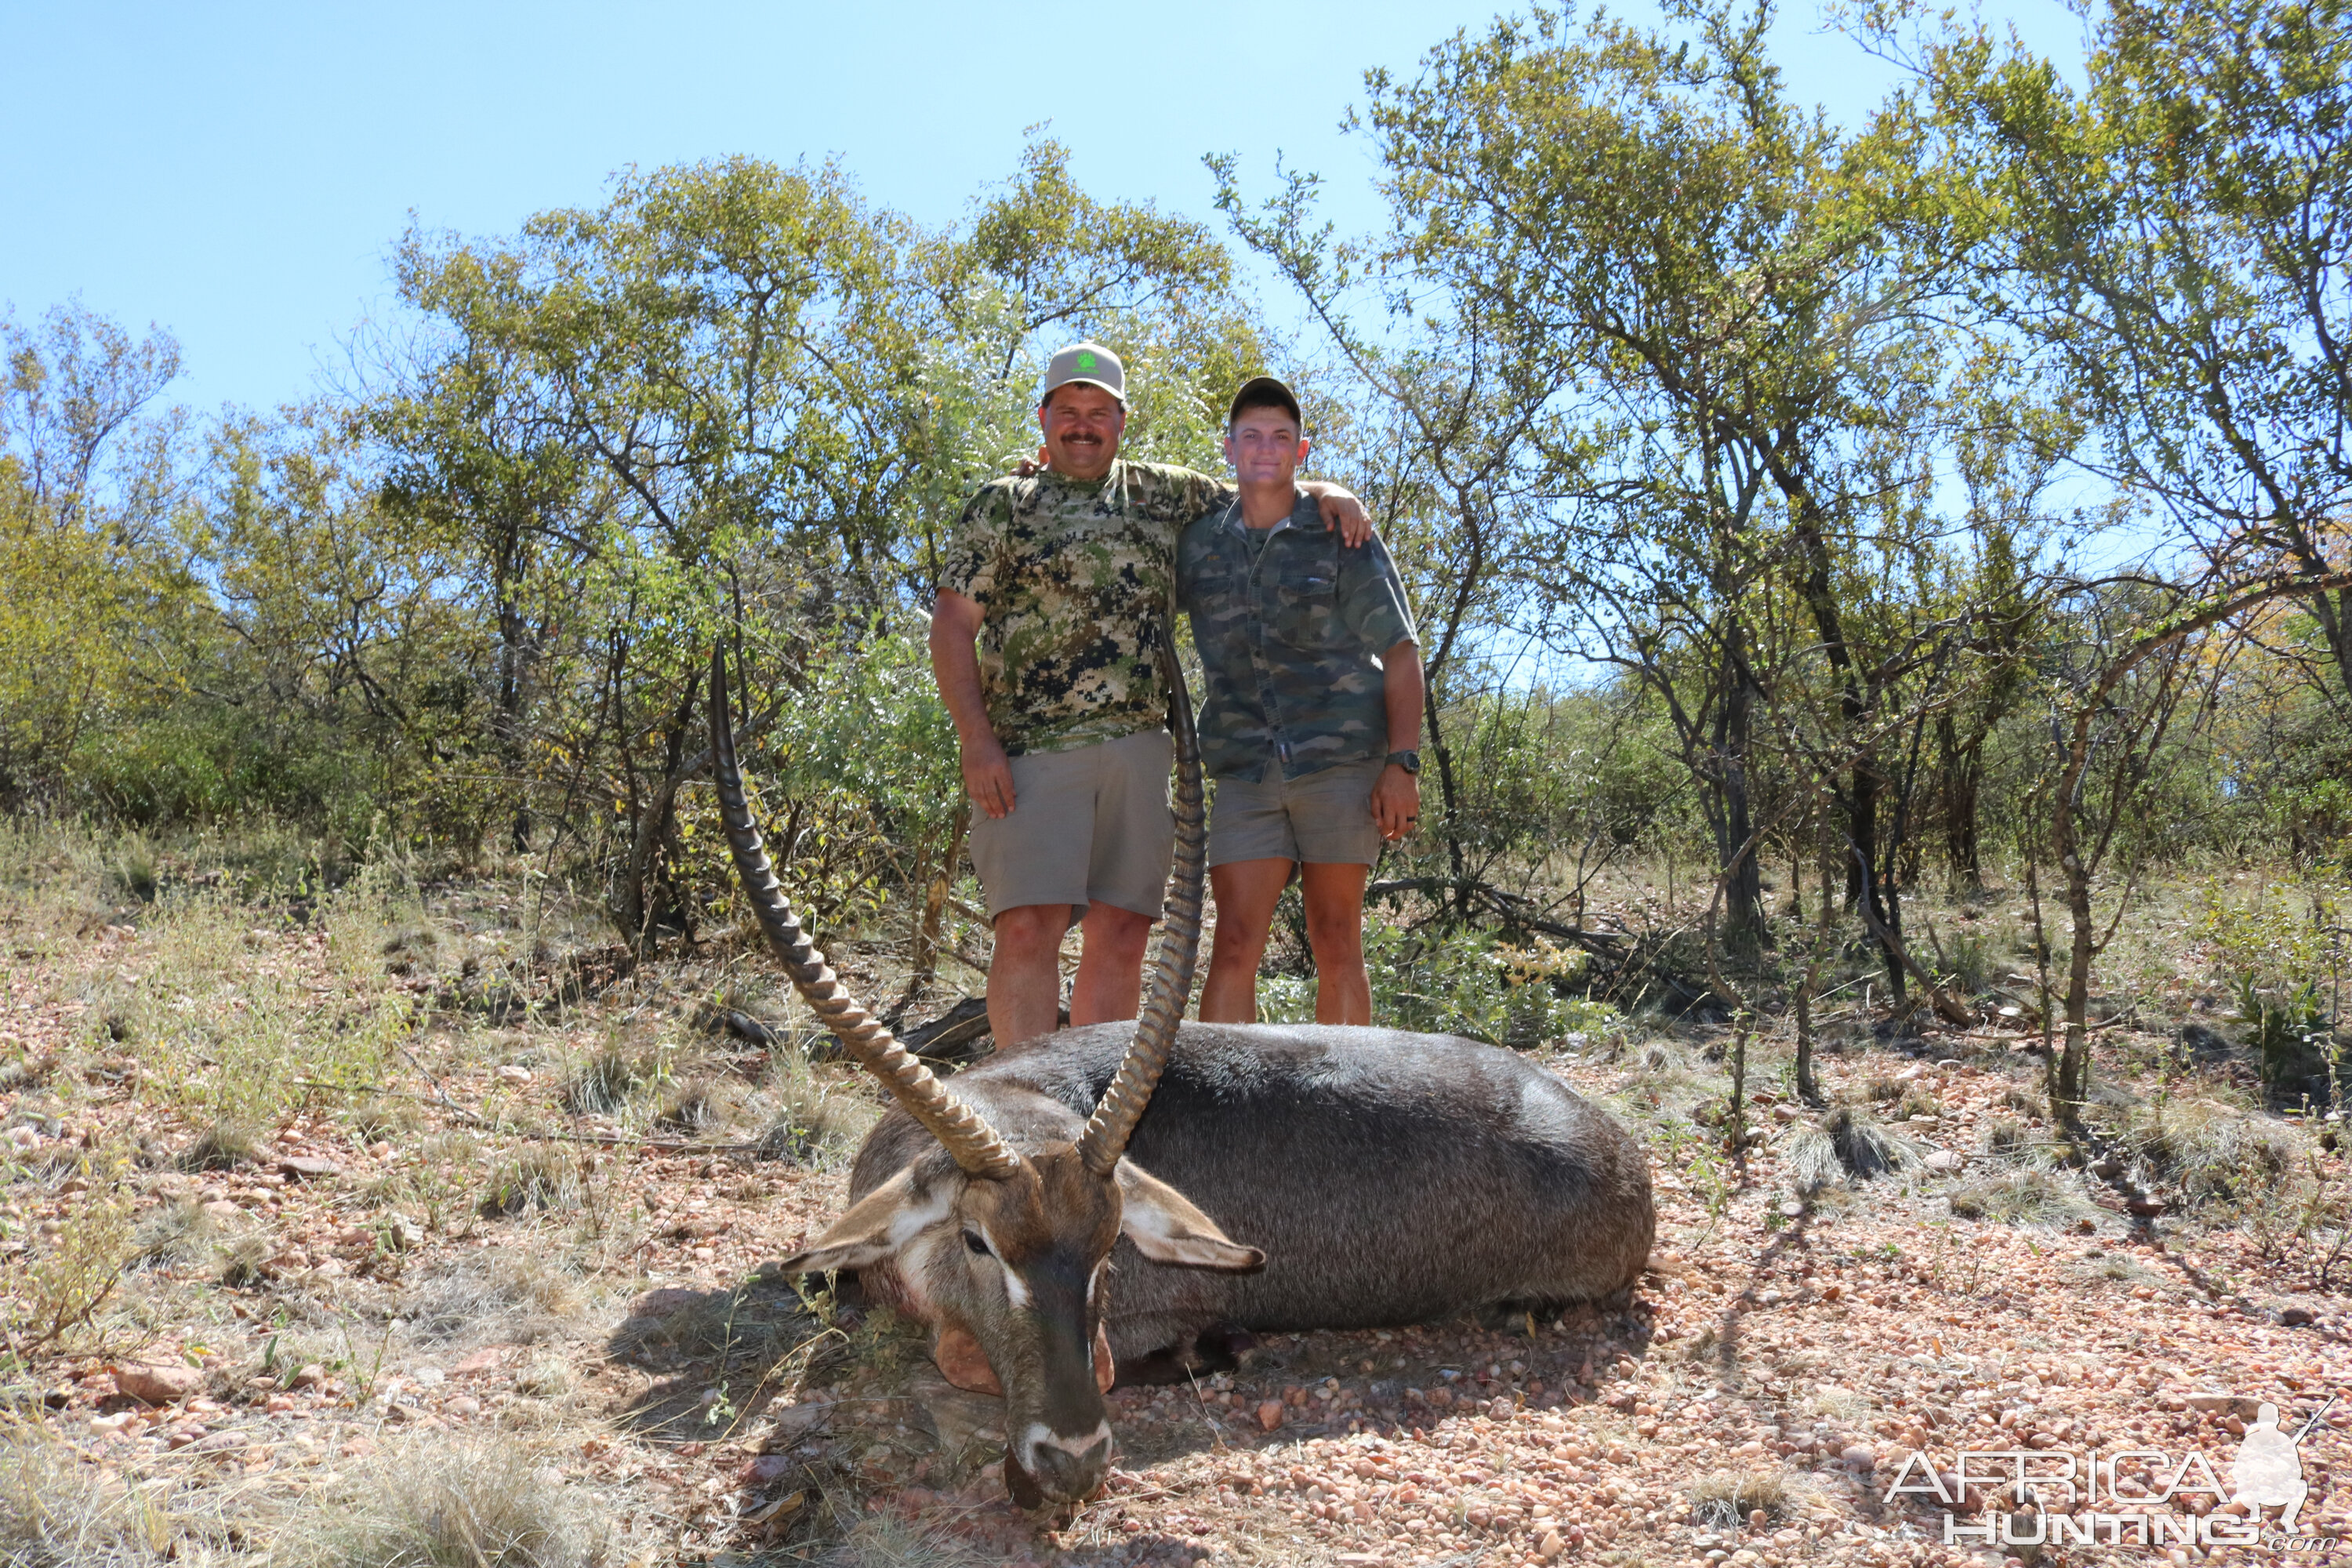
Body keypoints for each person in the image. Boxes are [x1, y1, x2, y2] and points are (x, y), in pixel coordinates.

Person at [929, 343, 1370, 1048]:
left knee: (1123, 932)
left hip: (1139, 751)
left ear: (1121, 420)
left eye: (1098, 412)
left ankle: (1095, 1124)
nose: (1082, 425)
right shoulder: (1002, 504)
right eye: (1067, 411)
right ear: (1043, 418)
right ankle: (1022, 1121)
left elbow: (1261, 490)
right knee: (1025, 927)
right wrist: (975, 739)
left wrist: (1326, 493)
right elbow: (953, 625)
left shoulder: (1163, 493)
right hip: (1029, 752)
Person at [1178, 376, 1422, 1025]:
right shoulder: (1199, 542)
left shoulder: (1339, 532)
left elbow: (1400, 649)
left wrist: (1403, 763)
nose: (1265, 449)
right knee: (1232, 945)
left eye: (1280, 437)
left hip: (1338, 765)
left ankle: (1343, 1111)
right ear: (1228, 449)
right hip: (1247, 773)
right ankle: (1227, 1122)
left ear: (1301, 449)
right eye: (1251, 436)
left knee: (1337, 940)